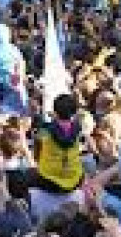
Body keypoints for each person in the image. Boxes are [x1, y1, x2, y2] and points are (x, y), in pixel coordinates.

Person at [31, 93, 84, 222]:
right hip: (74, 179)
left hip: (48, 180)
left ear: (55, 111)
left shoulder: (46, 130)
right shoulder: (77, 129)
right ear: (74, 112)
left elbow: (36, 147)